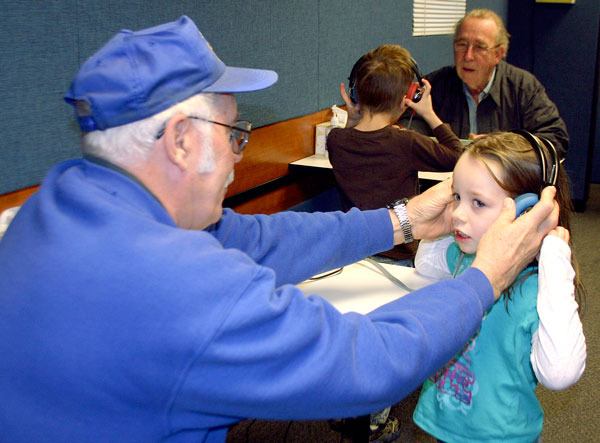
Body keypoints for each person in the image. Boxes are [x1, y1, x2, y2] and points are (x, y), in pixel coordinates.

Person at [0, 16, 559, 443]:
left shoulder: (63, 203)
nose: (238, 155)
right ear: (179, 140)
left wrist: (402, 219)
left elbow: (259, 241)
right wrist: (487, 275)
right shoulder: (175, 287)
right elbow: (369, 361)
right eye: (233, 132)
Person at [412, 132, 586, 442]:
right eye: (457, 197)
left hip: (500, 436)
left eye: (477, 202)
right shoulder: (469, 256)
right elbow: (424, 263)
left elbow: (560, 374)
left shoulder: (537, 288)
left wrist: (555, 259)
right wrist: (438, 227)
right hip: (443, 424)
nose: (458, 214)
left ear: (526, 211)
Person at [328, 44, 464, 263]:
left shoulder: (336, 139)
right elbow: (458, 157)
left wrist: (352, 120)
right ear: (407, 98)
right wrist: (429, 114)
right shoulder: (405, 142)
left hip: (353, 253)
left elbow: (351, 140)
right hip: (398, 254)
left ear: (355, 94)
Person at [424, 8, 569, 156]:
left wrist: (505, 147)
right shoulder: (436, 84)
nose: (468, 56)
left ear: (498, 54)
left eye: (479, 47)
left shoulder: (523, 87)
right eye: (462, 44)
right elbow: (408, 125)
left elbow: (555, 138)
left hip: (506, 177)